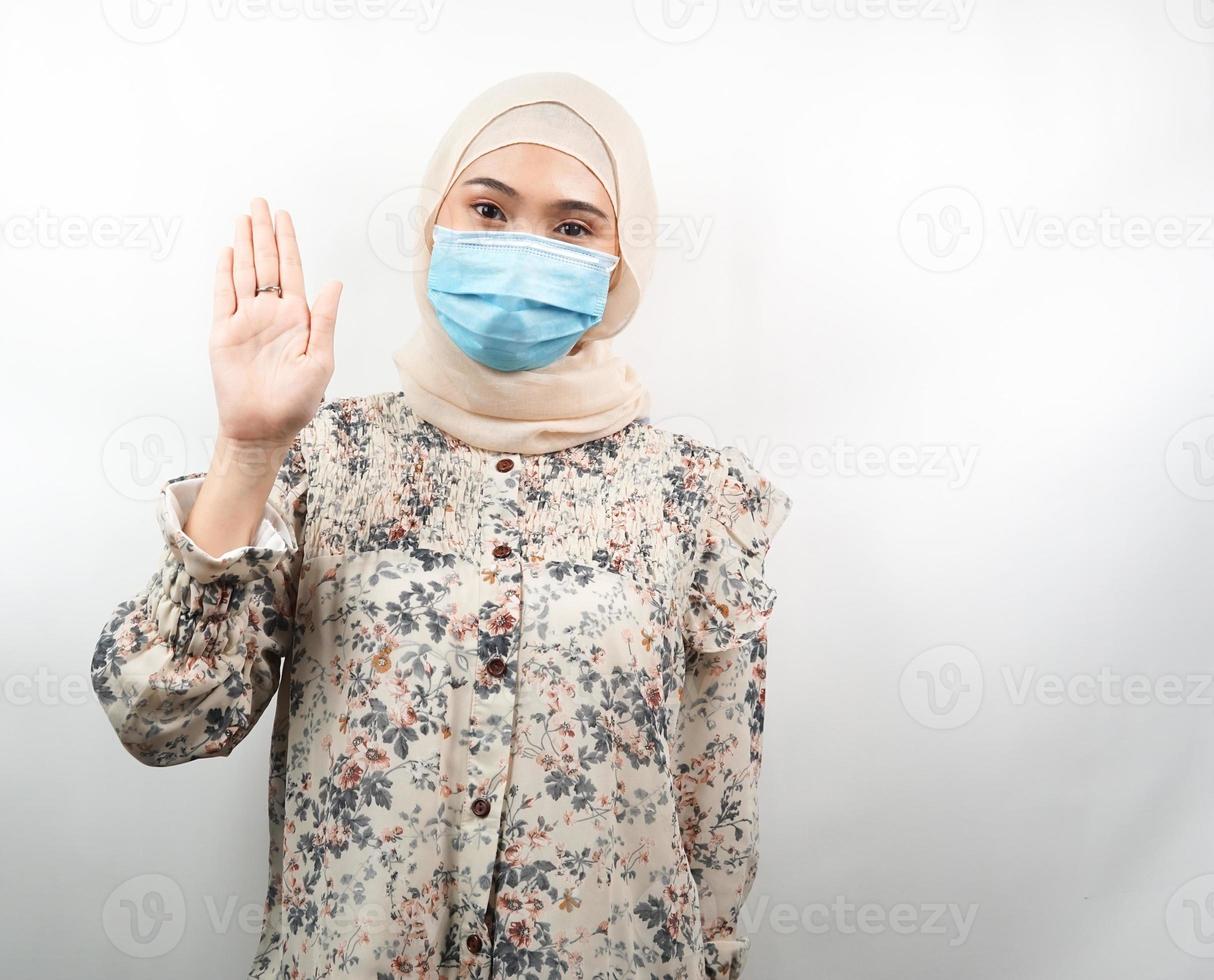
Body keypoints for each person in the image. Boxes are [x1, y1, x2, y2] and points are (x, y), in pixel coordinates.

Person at [90, 71, 791, 980]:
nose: (523, 248)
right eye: (490, 210)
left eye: (572, 227)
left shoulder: (699, 498)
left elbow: (715, 806)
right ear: (434, 221)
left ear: (624, 261)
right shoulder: (326, 459)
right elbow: (161, 719)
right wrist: (248, 447)